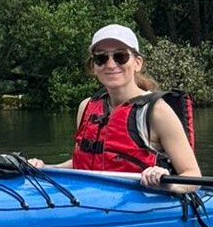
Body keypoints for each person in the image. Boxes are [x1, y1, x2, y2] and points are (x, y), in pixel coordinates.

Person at [29, 24, 201, 192]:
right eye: (101, 58)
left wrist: (167, 184)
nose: (111, 65)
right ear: (94, 66)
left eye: (120, 56)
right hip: (90, 200)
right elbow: (84, 160)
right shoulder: (86, 106)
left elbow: (193, 177)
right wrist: (46, 167)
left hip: (139, 206)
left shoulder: (157, 112)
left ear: (137, 63)